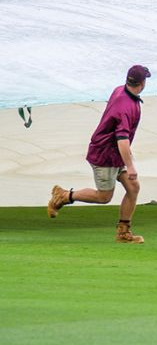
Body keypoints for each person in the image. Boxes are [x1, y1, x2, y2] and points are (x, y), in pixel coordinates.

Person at [47, 65, 151, 243]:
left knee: (133, 188)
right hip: (105, 155)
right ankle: (63, 196)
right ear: (142, 83)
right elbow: (122, 139)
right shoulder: (126, 106)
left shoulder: (120, 90)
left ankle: (123, 233)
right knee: (104, 197)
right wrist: (131, 165)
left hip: (116, 154)